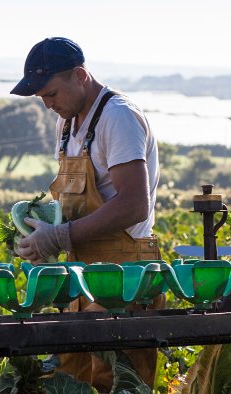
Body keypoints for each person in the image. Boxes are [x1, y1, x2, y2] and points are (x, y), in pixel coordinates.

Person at [11, 37, 162, 391]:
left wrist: (61, 237)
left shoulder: (118, 117)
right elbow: (73, 206)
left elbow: (134, 203)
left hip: (124, 276)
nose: (48, 104)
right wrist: (36, 231)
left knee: (116, 380)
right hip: (81, 276)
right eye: (42, 98)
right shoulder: (68, 123)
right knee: (70, 378)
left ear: (79, 75)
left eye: (51, 94)